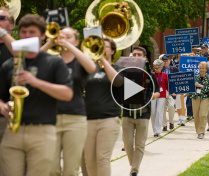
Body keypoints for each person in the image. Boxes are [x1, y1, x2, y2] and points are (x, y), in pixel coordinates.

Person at [0, 14, 73, 176]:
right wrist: (2, 105)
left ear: (42, 36)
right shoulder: (9, 64)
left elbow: (67, 93)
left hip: (42, 131)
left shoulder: (54, 62)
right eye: (23, 32)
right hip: (12, 131)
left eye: (32, 32)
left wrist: (36, 81)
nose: (26, 36)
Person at [41, 26, 96, 176]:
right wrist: (49, 44)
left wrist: (69, 47)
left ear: (77, 41)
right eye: (61, 36)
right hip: (51, 118)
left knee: (71, 170)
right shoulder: (51, 61)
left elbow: (91, 67)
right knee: (50, 169)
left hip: (75, 118)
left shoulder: (80, 62)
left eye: (68, 36)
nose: (63, 38)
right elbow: (31, 61)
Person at [83, 38, 123, 176]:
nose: (101, 49)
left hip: (109, 119)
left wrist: (104, 61)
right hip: (88, 120)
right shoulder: (88, 70)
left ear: (112, 51)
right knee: (90, 161)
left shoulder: (118, 69)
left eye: (105, 47)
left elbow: (118, 82)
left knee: (102, 158)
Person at [122, 46, 160, 176]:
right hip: (127, 112)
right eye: (134, 54)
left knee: (139, 144)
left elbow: (157, 91)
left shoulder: (149, 73)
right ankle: (134, 165)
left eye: (139, 54)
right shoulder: (125, 72)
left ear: (144, 57)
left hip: (144, 113)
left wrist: (154, 95)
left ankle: (134, 170)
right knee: (127, 144)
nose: (136, 56)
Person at [0, 7, 16, 146]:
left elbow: (23, 56)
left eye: (1, 18)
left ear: (11, 25)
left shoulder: (18, 47)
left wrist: (3, 34)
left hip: (10, 115)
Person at [191, 61, 209, 139]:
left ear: (206, 69)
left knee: (203, 114)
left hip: (205, 97)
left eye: (203, 68)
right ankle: (198, 131)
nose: (201, 70)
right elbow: (192, 88)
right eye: (200, 68)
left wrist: (200, 86)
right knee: (196, 115)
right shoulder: (195, 77)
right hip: (196, 97)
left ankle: (201, 132)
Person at [151, 59, 168, 136]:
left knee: (159, 111)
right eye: (154, 67)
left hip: (162, 95)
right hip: (153, 95)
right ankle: (154, 128)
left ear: (161, 67)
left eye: (157, 68)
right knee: (153, 112)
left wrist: (172, 92)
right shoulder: (152, 74)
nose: (156, 69)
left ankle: (157, 130)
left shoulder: (165, 75)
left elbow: (167, 85)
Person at [161, 54, 178, 131]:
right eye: (164, 61)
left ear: (169, 61)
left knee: (171, 106)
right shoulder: (160, 69)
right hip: (163, 91)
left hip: (171, 90)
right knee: (163, 108)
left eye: (167, 61)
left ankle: (171, 122)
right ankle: (164, 125)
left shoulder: (174, 69)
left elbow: (178, 80)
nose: (165, 62)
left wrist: (176, 90)